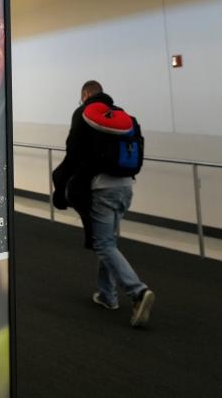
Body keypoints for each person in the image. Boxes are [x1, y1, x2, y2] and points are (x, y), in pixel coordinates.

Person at [51, 80, 155, 328]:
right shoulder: (125, 116)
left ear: (86, 94)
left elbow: (73, 153)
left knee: (103, 243)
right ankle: (107, 295)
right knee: (108, 241)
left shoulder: (84, 114)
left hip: (101, 188)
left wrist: (60, 185)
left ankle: (138, 292)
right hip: (126, 187)